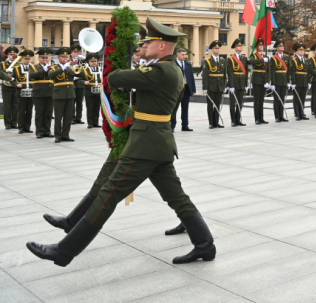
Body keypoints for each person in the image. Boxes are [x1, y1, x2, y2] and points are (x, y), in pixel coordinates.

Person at [27, 17, 216, 267]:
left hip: (145, 145)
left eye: (149, 42)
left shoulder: (159, 70)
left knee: (108, 194)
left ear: (162, 46)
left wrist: (121, 56)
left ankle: (64, 251)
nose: (144, 45)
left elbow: (115, 77)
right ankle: (205, 245)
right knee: (176, 197)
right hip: (155, 142)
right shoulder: (166, 68)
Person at [49, 48, 78, 143]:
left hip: (70, 94)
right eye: (63, 56)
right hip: (59, 94)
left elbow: (80, 74)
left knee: (68, 116)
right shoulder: (54, 67)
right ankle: (58, 135)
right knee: (58, 116)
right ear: (58, 57)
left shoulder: (70, 67)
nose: (65, 58)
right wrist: (62, 68)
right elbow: (51, 75)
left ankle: (65, 135)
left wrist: (75, 67)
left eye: (66, 56)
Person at [29, 48, 54, 139]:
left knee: (48, 113)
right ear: (39, 58)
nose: (45, 59)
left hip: (50, 92)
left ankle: (47, 131)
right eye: (43, 58)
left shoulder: (53, 67)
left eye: (47, 57)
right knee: (39, 113)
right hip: (39, 93)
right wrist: (44, 70)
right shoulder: (34, 67)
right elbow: (33, 76)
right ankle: (39, 131)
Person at [201, 40, 226, 129]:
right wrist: (205, 87)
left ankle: (217, 122)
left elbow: (224, 74)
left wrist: (224, 85)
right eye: (216, 48)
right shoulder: (207, 61)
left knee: (217, 104)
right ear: (212, 49)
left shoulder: (223, 60)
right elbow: (205, 75)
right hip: (211, 86)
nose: (217, 50)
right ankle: (211, 123)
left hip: (219, 86)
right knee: (210, 105)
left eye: (218, 48)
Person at [171, 48, 196, 131]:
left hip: (186, 88)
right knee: (174, 108)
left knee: (185, 108)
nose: (184, 56)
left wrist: (193, 89)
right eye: (182, 54)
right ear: (177, 55)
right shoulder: (173, 64)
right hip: (176, 89)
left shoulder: (188, 64)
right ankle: (172, 125)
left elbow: (191, 78)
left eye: (185, 54)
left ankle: (185, 125)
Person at [12, 49, 35, 134]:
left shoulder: (33, 68)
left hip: (31, 91)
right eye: (25, 58)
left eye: (29, 59)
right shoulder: (17, 68)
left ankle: (27, 127)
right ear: (22, 59)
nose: (27, 60)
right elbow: (12, 79)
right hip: (21, 91)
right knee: (21, 110)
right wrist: (16, 84)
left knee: (29, 110)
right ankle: (21, 127)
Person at [226, 39, 248, 127]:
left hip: (241, 83)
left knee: (240, 102)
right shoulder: (231, 59)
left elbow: (245, 72)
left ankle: (238, 119)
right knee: (232, 103)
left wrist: (246, 84)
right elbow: (230, 72)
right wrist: (231, 85)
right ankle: (233, 120)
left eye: (241, 45)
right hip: (234, 83)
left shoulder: (244, 58)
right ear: (235, 48)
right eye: (239, 46)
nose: (241, 47)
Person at [249, 38, 269, 124]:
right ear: (257, 47)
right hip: (256, 79)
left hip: (263, 79)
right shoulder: (254, 55)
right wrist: (262, 60)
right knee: (257, 100)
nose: (262, 46)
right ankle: (257, 118)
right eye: (260, 45)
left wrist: (267, 80)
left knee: (261, 100)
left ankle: (261, 118)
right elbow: (251, 61)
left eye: (262, 45)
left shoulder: (266, 56)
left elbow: (268, 69)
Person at [268, 41, 289, 122]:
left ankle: (281, 115)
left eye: (283, 46)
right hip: (277, 81)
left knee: (282, 99)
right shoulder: (273, 58)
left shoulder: (286, 57)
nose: (282, 47)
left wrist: (288, 81)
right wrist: (272, 83)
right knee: (277, 99)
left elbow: (288, 70)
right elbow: (272, 71)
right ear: (277, 48)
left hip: (284, 81)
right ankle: (277, 116)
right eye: (280, 46)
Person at [81, 53, 102, 129]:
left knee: (97, 107)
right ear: (89, 62)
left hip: (98, 90)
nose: (94, 62)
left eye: (95, 61)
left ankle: (95, 122)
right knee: (90, 107)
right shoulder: (85, 70)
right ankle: (90, 123)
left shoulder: (100, 69)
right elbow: (79, 80)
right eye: (92, 61)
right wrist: (84, 82)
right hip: (89, 91)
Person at [290, 43, 310, 120]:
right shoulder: (294, 59)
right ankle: (297, 113)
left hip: (304, 81)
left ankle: (302, 113)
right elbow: (292, 72)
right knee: (297, 98)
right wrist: (293, 82)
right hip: (297, 81)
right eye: (300, 50)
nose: (302, 51)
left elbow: (307, 71)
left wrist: (308, 81)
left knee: (302, 98)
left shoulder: (305, 59)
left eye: (303, 50)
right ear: (296, 51)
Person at [2, 45, 20, 129]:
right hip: (6, 86)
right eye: (10, 55)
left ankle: (14, 123)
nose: (12, 56)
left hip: (16, 86)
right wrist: (5, 71)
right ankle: (8, 124)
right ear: (7, 55)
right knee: (7, 106)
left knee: (15, 105)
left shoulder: (19, 64)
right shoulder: (3, 63)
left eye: (14, 54)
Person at [70, 44, 86, 125]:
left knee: (79, 102)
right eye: (74, 52)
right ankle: (72, 118)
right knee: (72, 101)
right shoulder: (68, 61)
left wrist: (85, 60)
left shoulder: (82, 61)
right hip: (71, 83)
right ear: (71, 53)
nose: (76, 53)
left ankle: (78, 117)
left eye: (77, 52)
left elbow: (85, 71)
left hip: (80, 83)